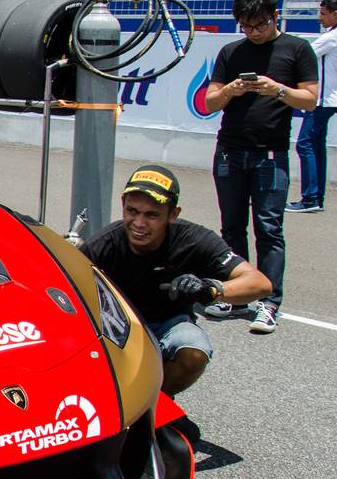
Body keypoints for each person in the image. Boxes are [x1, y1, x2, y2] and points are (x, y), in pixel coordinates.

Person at [81, 165, 271, 396]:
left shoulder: (194, 239)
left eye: (151, 215)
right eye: (132, 211)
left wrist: (210, 290)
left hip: (168, 324)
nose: (139, 223)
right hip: (115, 327)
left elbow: (260, 283)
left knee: (194, 353)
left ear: (173, 214)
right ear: (122, 204)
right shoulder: (103, 244)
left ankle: (152, 405)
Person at [200, 0, 317, 335]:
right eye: (247, 27)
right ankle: (234, 294)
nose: (253, 32)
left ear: (274, 15)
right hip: (230, 150)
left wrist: (277, 89)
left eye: (260, 25)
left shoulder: (297, 49)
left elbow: (310, 99)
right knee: (231, 226)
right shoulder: (231, 52)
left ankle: (269, 302)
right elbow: (209, 102)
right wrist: (230, 91)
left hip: (270, 154)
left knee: (268, 228)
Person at [290, 0, 337, 214]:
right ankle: (316, 197)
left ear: (336, 14)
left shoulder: (332, 37)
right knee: (315, 147)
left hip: (321, 102)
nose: (319, 17)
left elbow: (303, 55)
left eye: (323, 13)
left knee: (304, 145)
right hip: (328, 101)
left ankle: (311, 198)